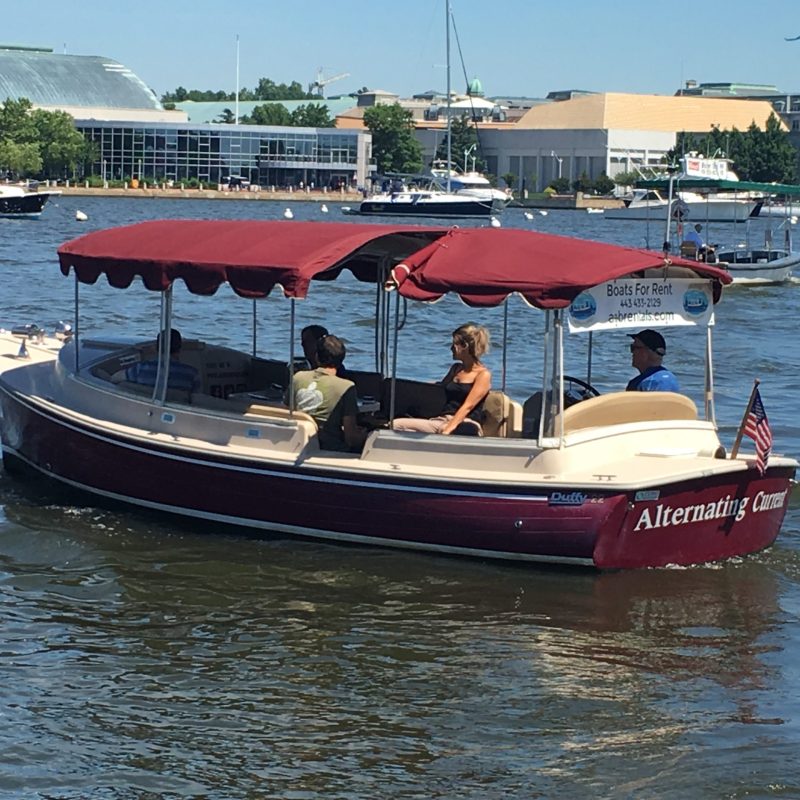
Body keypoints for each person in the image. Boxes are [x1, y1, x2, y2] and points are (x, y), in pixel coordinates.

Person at [393, 323, 492, 435]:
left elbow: (468, 406)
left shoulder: (483, 375)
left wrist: (448, 429)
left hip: (466, 422)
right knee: (396, 424)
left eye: (454, 345)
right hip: (442, 420)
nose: (451, 348)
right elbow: (438, 389)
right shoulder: (456, 369)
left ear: (464, 346)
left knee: (461, 430)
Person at [291, 334, 366, 452]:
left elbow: (288, 413)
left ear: (316, 356)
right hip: (332, 449)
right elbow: (351, 438)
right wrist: (367, 435)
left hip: (299, 444)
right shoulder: (346, 387)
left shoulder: (298, 378)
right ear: (342, 359)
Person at [125, 328, 200, 392]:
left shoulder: (141, 368)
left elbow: (115, 378)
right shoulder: (192, 374)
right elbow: (196, 395)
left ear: (156, 348)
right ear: (180, 349)